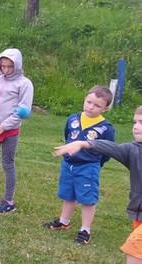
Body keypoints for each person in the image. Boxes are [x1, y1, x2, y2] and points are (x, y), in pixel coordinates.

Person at [53, 106, 142, 264]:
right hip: (139, 210)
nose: (136, 127)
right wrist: (82, 143)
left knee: (136, 244)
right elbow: (109, 147)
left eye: (141, 123)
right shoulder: (133, 150)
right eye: (135, 122)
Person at [43, 86, 115, 244]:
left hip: (88, 167)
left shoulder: (106, 128)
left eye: (97, 105)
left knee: (87, 199)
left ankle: (85, 230)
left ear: (105, 108)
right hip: (68, 165)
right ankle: (64, 222)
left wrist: (96, 164)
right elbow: (67, 136)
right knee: (68, 194)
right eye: (89, 102)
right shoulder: (72, 119)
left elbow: (108, 150)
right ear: (85, 99)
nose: (91, 107)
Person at [0, 48, 34, 213]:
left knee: (7, 164)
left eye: (10, 66)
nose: (6, 70)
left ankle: (9, 201)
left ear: (17, 65)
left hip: (9, 131)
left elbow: (22, 110)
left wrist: (4, 126)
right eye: (3, 66)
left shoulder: (24, 84)